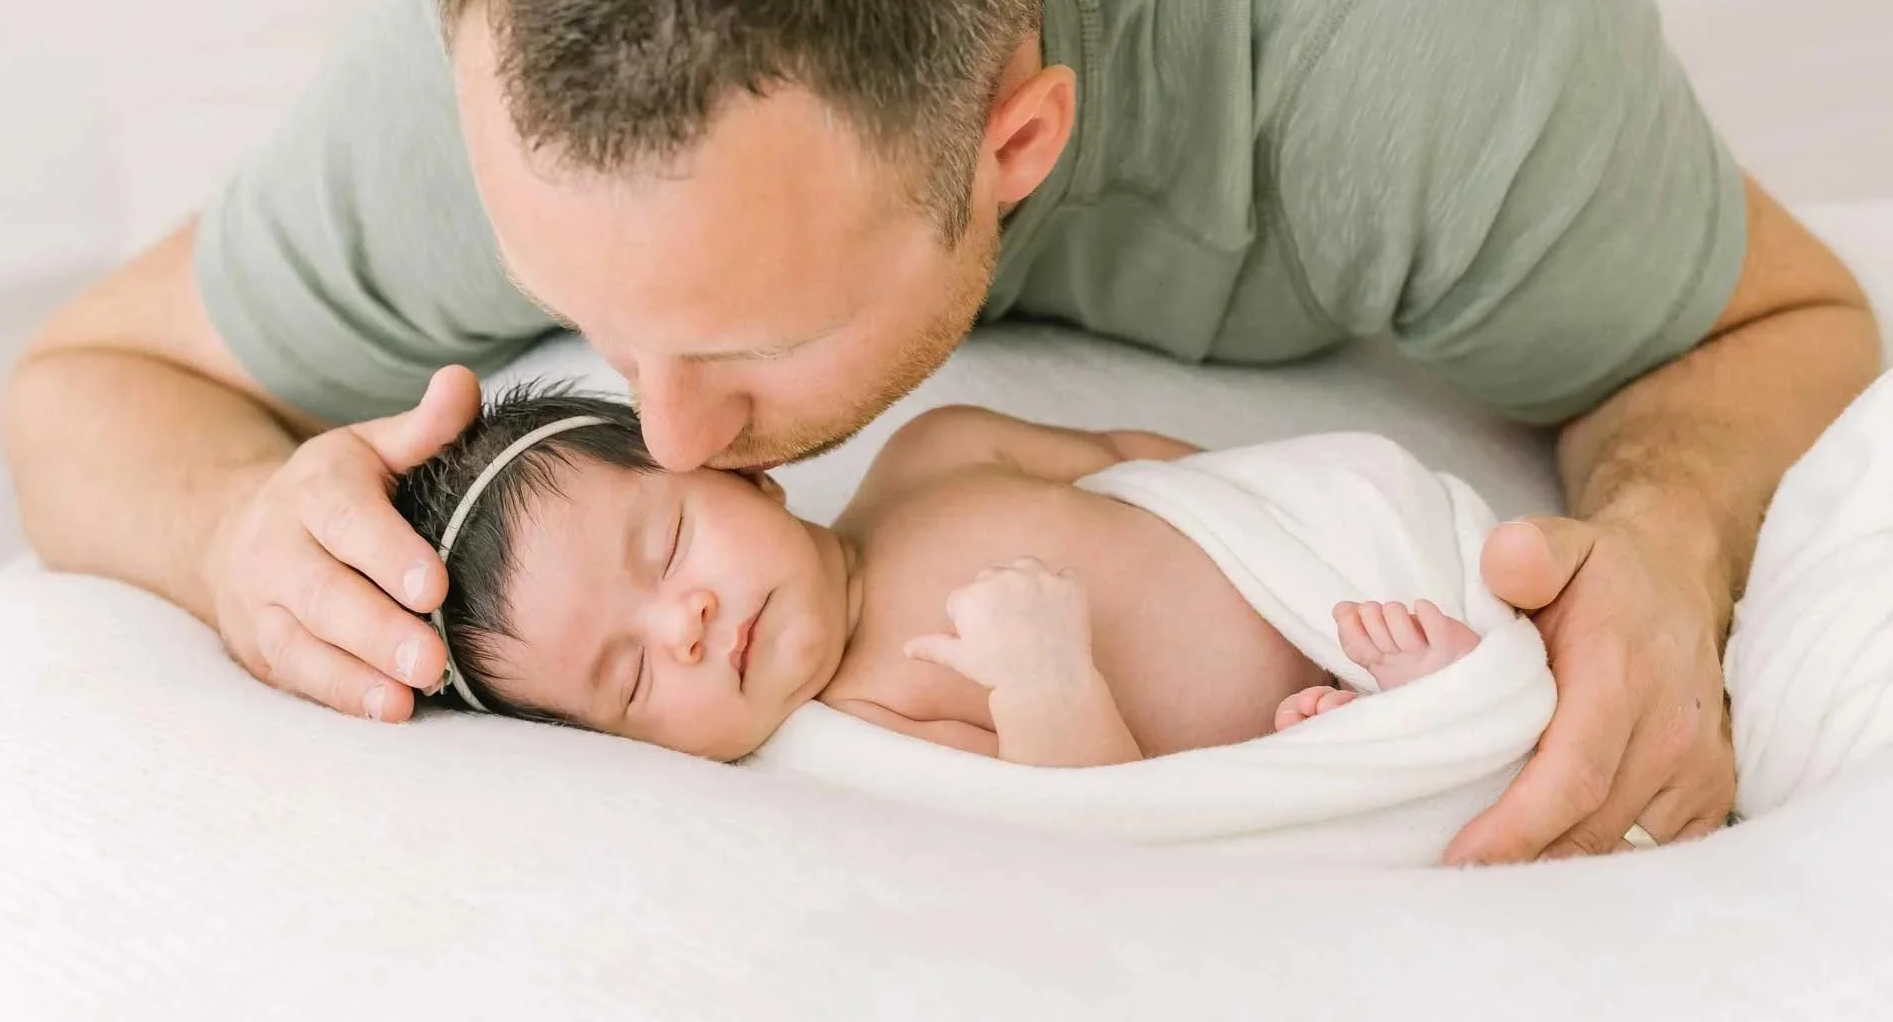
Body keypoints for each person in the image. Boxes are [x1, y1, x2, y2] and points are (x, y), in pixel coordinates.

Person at [1, 0, 1877, 865]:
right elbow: (80, 384)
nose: (667, 431)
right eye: (582, 308)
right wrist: (238, 523)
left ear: (1019, 147)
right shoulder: (525, 72)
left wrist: (1668, 534)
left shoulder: (1391, 9)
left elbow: (1782, 322)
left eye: (751, 338)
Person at [390, 382, 1489, 770]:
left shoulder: (937, 450)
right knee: (1386, 734)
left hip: (1332, 572)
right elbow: (1098, 815)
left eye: (667, 546)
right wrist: (1045, 680)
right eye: (628, 678)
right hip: (1296, 739)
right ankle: (1411, 721)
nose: (683, 624)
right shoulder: (869, 717)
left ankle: (1450, 663)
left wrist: (1297, 520)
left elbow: (1144, 462)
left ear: (740, 470)